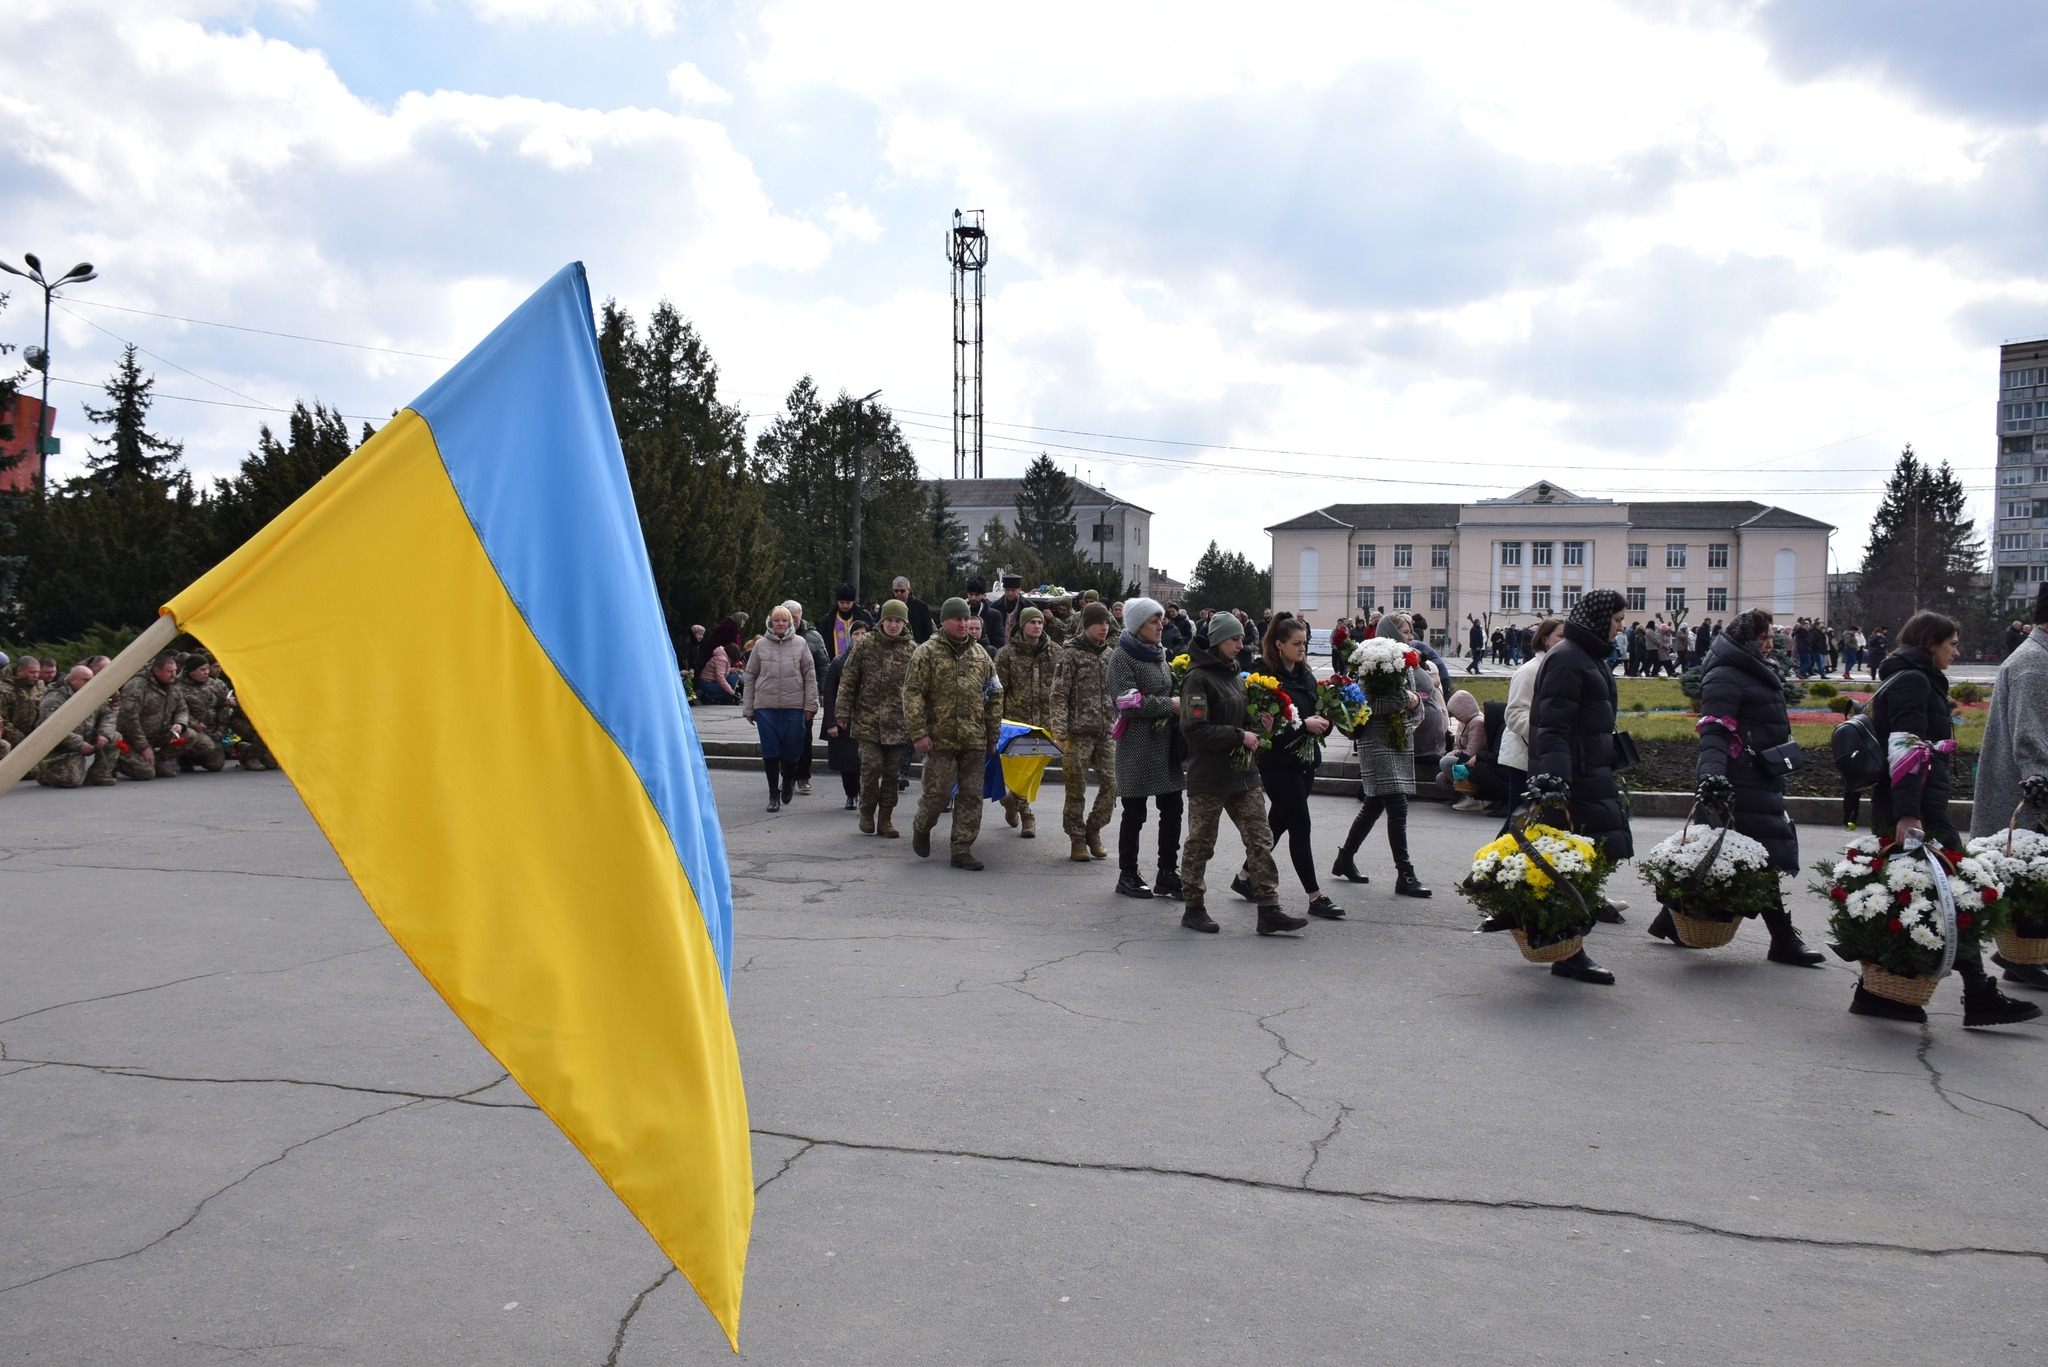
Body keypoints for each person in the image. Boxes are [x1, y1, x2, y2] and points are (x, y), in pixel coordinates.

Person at [1860, 611, 2038, 1026]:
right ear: (1930, 642)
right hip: (1917, 808)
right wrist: (1908, 815)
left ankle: (1879, 993)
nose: (1956, 652)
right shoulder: (1913, 680)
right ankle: (1977, 994)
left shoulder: (1913, 675)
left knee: (1918, 899)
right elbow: (1905, 748)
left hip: (1919, 803)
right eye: (1952, 644)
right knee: (1953, 896)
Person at [1661, 609, 1824, 965]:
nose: (1769, 645)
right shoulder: (1726, 674)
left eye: (1770, 639)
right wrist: (1712, 778)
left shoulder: (1753, 668)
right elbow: (1715, 730)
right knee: (1762, 857)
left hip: (1759, 775)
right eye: (1763, 639)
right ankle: (1782, 940)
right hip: (1738, 779)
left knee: (1728, 854)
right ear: (1746, 640)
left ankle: (1670, 921)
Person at [1526, 588, 1635, 985]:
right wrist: (1555, 781)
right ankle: (1569, 951)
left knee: (1582, 864)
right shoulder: (1569, 658)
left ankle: (1560, 942)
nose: (1622, 626)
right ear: (1600, 617)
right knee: (1573, 865)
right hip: (1573, 780)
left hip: (1589, 773)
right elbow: (1552, 726)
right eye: (1618, 619)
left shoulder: (1586, 655)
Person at [1177, 612, 1304, 936]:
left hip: (1244, 775)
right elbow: (1194, 729)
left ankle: (1269, 909)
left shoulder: (1234, 674)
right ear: (1219, 640)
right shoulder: (1198, 678)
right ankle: (1193, 908)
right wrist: (1239, 736)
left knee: (1261, 841)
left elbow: (1240, 718)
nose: (1240, 644)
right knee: (1201, 844)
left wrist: (1257, 725)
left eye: (1240, 639)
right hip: (1209, 778)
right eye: (1234, 639)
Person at [1974, 584, 2048, 991]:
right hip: (2027, 795)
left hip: (2025, 792)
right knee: (2029, 874)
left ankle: (2022, 953)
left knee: (2029, 877)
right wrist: (2041, 788)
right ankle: (2023, 955)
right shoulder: (2035, 664)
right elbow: (2030, 739)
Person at [1246, 613, 1344, 919]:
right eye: (1296, 643)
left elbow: (1318, 713)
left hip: (1305, 761)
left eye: (1304, 643)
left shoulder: (1306, 675)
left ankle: (1244, 877)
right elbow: (1264, 729)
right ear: (1279, 644)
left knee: (1280, 823)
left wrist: (1324, 724)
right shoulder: (1263, 678)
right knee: (1301, 827)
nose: (1302, 648)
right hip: (1278, 763)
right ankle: (1315, 897)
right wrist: (1304, 728)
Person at [1330, 612, 1433, 898]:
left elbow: (1417, 704)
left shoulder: (1404, 662)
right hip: (1375, 740)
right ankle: (1405, 873)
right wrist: (1408, 700)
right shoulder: (1370, 662)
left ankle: (1345, 858)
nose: (1410, 636)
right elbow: (1369, 700)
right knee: (1397, 803)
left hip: (1397, 739)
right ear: (1390, 632)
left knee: (1374, 803)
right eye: (1405, 631)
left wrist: (1413, 705)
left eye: (1411, 631)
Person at [903, 596, 1003, 869]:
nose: (963, 624)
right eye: (957, 619)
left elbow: (995, 695)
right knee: (938, 794)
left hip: (974, 739)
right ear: (944, 621)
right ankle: (922, 826)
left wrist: (992, 736)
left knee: (971, 796)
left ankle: (962, 848)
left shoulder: (981, 655)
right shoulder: (926, 653)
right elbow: (913, 694)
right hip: (940, 739)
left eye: (966, 619)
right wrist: (919, 732)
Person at [1106, 598, 1186, 899]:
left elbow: (1166, 687)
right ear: (1138, 626)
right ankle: (1127, 873)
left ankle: (1167, 872)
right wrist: (1170, 705)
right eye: (1153, 621)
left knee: (1173, 808)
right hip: (1137, 744)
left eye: (1161, 620)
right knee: (1135, 812)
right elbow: (1126, 702)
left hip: (1166, 744)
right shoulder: (1122, 657)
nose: (1160, 626)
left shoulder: (1159, 654)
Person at [840, 598, 918, 836]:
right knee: (871, 768)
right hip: (868, 720)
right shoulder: (865, 645)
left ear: (904, 623)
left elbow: (919, 688)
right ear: (882, 621)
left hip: (898, 723)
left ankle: (885, 819)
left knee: (893, 775)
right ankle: (866, 812)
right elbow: (849, 678)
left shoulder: (913, 650)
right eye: (889, 620)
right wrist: (842, 711)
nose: (893, 625)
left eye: (898, 621)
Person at [1052, 600, 1118, 862]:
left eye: (1106, 623)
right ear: (1087, 625)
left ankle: (1093, 829)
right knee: (1076, 789)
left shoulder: (1109, 654)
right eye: (1099, 623)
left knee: (1112, 784)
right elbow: (1058, 694)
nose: (1104, 628)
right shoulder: (1069, 654)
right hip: (1077, 733)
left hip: (1105, 732)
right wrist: (1059, 732)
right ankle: (1077, 839)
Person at [742, 605, 819, 812]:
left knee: (793, 749)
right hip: (766, 707)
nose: (781, 624)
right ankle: (773, 794)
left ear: (791, 623)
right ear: (770, 622)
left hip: (794, 706)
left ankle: (788, 780)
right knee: (770, 751)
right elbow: (749, 676)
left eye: (785, 621)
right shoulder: (760, 646)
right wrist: (748, 708)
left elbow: (809, 675)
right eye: (777, 621)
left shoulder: (800, 644)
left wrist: (811, 704)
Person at [994, 606, 1059, 839]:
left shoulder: (1055, 652)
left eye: (1040, 622)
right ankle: (1027, 815)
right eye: (1032, 622)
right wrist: (996, 723)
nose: (1037, 626)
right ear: (1023, 626)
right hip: (1016, 724)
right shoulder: (1006, 654)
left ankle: (1012, 802)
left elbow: (1061, 690)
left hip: (1045, 724)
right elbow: (998, 691)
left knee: (1033, 772)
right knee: (1019, 769)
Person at [1495, 618, 1562, 824]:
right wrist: (1545, 735)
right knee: (1518, 820)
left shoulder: (1558, 668)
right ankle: (1497, 856)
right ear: (1545, 639)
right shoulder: (1530, 670)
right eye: (1561, 636)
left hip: (1543, 755)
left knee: (1532, 823)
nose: (1566, 641)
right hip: (1524, 757)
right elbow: (1515, 714)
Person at [33, 664, 119, 788]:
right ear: (72, 679)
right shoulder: (55, 698)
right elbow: (52, 728)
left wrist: (104, 734)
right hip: (60, 746)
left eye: (92, 679)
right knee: (69, 781)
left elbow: (108, 714)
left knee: (114, 737)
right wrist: (79, 744)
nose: (90, 683)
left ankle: (99, 775)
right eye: (86, 680)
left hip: (86, 737)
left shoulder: (93, 694)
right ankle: (45, 772)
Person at [117, 653, 193, 781]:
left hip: (158, 734)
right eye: (169, 671)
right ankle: (117, 758)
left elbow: (182, 709)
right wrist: (144, 747)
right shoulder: (137, 686)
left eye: (175, 671)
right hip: (132, 739)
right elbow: (130, 719)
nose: (174, 674)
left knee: (190, 735)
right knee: (146, 773)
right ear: (157, 671)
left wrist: (180, 724)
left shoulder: (172, 684)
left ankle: (158, 763)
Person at [820, 617, 869, 810]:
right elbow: (830, 693)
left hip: (867, 719)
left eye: (863, 633)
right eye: (856, 634)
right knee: (847, 761)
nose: (859, 637)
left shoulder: (874, 661)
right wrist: (831, 721)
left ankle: (865, 795)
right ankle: (851, 794)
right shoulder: (838, 662)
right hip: (844, 720)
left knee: (866, 762)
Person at [171, 653, 230, 773]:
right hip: (190, 729)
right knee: (205, 746)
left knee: (216, 765)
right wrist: (193, 724)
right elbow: (176, 711)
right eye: (202, 670)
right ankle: (183, 756)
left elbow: (223, 706)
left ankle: (199, 757)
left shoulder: (214, 684)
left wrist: (221, 729)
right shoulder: (176, 686)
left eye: (207, 669)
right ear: (191, 672)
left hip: (211, 730)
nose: (206, 672)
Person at [697, 619, 744, 704]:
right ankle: (708, 697)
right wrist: (732, 692)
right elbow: (720, 677)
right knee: (727, 692)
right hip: (708, 683)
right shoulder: (721, 659)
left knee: (733, 676)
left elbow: (720, 670)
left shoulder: (724, 657)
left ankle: (718, 696)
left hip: (712, 681)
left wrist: (730, 669)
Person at [826, 585, 871, 660]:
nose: (845, 606)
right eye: (842, 602)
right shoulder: (829, 619)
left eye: (848, 603)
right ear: (837, 602)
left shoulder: (863, 616)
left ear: (853, 602)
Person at [965, 576, 1008, 650]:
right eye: (971, 594)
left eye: (977, 595)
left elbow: (999, 642)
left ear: (984, 595)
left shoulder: (994, 615)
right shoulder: (961, 614)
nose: (973, 598)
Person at [891, 575, 935, 644]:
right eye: (896, 591)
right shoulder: (886, 607)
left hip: (915, 647)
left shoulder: (921, 607)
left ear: (909, 590)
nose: (899, 593)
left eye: (902, 591)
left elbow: (928, 632)